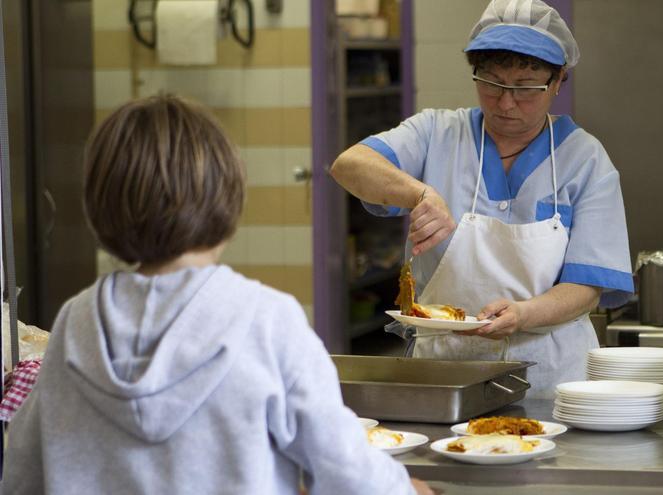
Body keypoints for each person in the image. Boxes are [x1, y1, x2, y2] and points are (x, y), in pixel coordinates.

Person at [1, 94, 431, 495]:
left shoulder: (77, 321)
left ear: (98, 206)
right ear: (228, 197)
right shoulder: (267, 318)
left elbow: (21, 475)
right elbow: (346, 470)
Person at [330, 0, 634, 399]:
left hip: (552, 378)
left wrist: (524, 314)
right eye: (492, 82)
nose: (506, 103)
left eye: (526, 87)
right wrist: (420, 192)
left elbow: (587, 285)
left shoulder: (584, 159)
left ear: (558, 81)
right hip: (444, 375)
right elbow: (349, 164)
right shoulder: (437, 132)